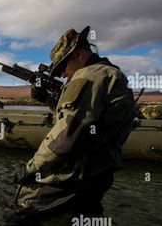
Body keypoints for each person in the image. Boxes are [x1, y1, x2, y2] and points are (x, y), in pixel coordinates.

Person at [13, 26, 135, 214]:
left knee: (26, 210)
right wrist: (47, 99)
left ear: (78, 54)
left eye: (62, 67)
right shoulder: (111, 74)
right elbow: (86, 118)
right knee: (86, 223)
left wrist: (30, 169)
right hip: (100, 172)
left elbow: (65, 138)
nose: (62, 74)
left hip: (72, 175)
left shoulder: (89, 76)